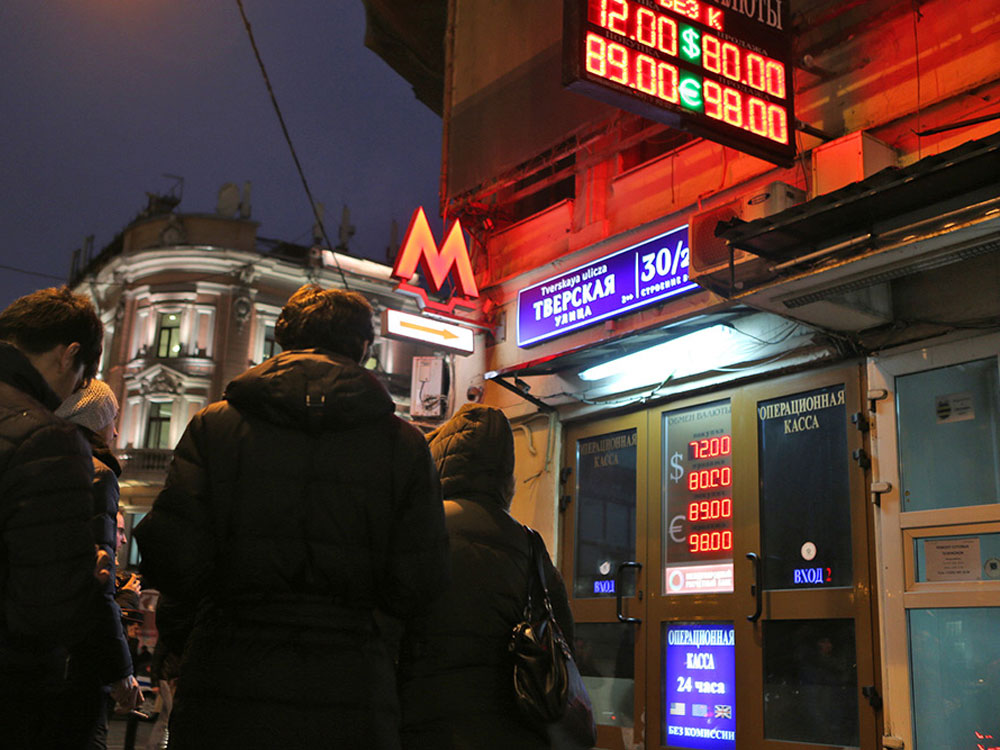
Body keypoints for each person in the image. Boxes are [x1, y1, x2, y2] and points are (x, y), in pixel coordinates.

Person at [134, 284, 450, 749]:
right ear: (363, 348)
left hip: (227, 679)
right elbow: (422, 582)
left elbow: (174, 557)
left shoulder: (215, 427)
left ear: (283, 339)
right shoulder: (402, 445)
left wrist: (185, 642)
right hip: (352, 688)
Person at [398, 404, 576, 750]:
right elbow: (563, 640)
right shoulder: (531, 546)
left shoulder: (416, 532)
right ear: (505, 479)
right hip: (516, 732)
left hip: (424, 725)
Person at [0, 287, 106, 746]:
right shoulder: (47, 438)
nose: (73, 395)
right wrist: (91, 578)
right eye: (82, 381)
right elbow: (46, 609)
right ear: (69, 356)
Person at [53, 379, 143, 746]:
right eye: (113, 417)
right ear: (95, 419)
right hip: (77, 662)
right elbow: (97, 584)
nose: (117, 429)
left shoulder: (34, 460)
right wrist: (122, 671)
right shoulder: (96, 474)